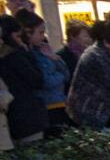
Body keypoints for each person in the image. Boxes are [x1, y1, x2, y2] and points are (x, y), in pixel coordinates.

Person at [18, 11, 68, 133]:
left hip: (60, 103)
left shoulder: (43, 50)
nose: (43, 36)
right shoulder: (28, 56)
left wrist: (55, 59)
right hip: (45, 107)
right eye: (40, 32)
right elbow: (46, 82)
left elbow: (67, 74)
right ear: (28, 32)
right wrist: (59, 75)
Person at [0, 14, 46, 144]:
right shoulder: (16, 56)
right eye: (18, 36)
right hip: (26, 116)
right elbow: (37, 80)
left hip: (12, 119)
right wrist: (26, 53)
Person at [57, 20, 91, 86]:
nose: (89, 39)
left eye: (89, 36)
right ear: (73, 37)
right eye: (85, 36)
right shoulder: (62, 56)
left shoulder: (88, 54)